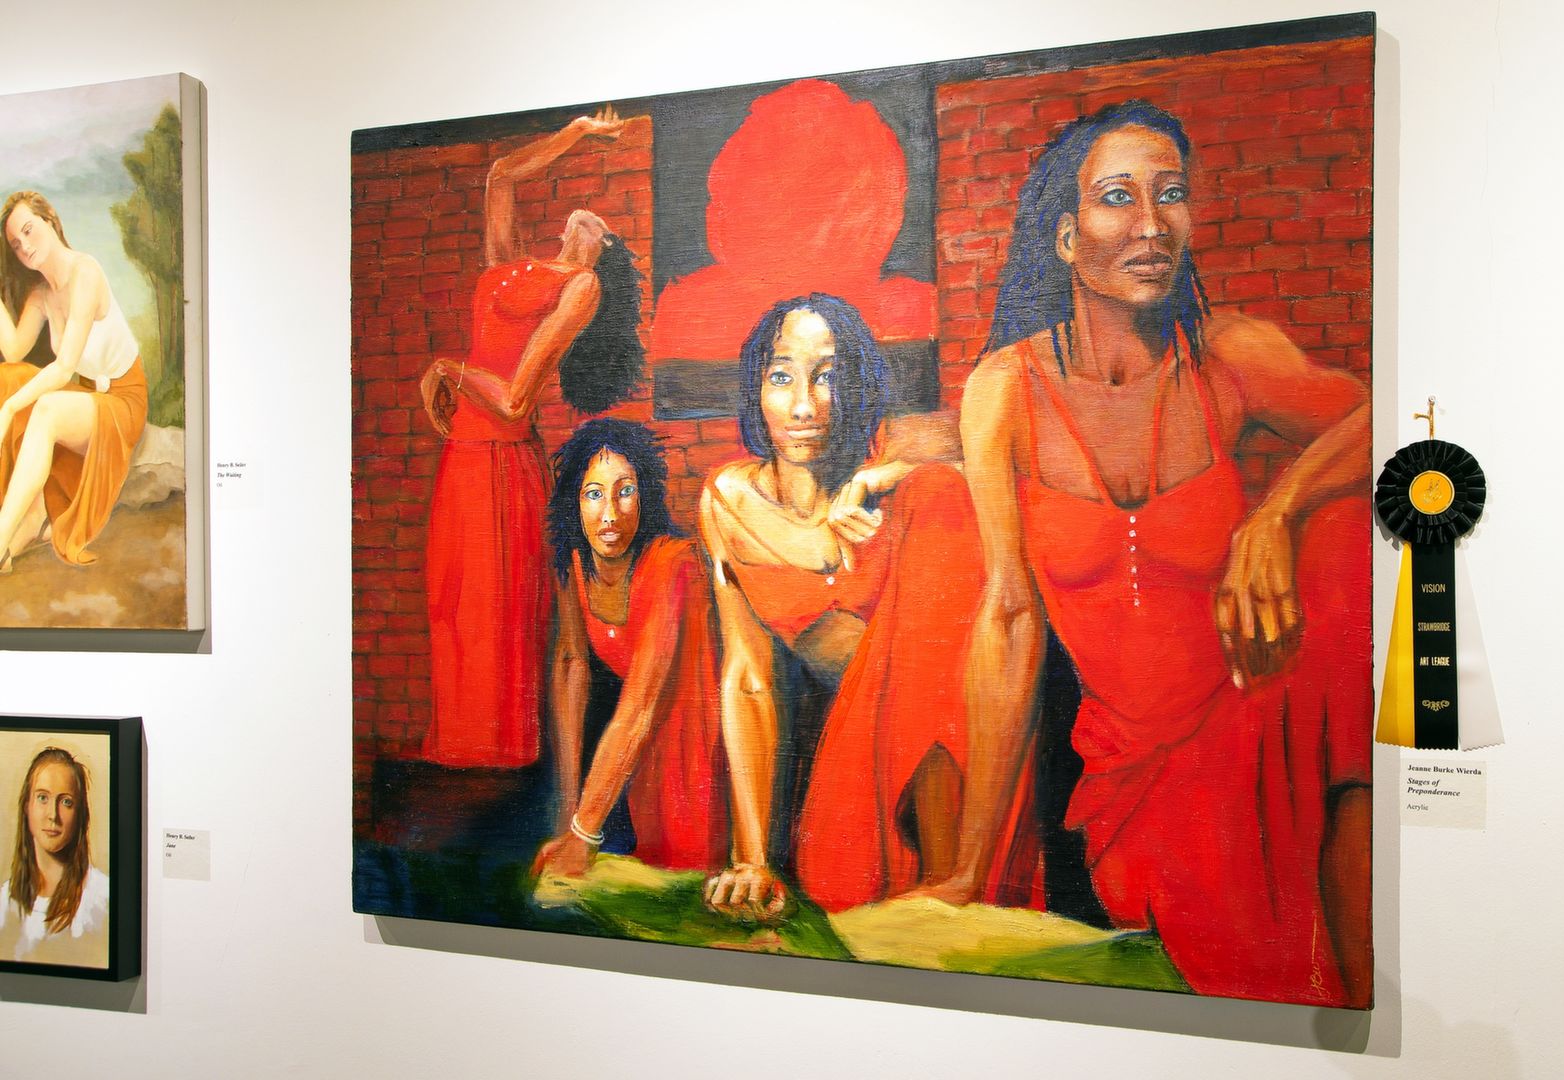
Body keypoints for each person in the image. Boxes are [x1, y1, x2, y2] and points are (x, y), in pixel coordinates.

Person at [928, 101, 1373, 1005]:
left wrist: (1278, 511)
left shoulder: (1228, 355)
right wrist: (969, 870)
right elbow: (1008, 617)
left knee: (1338, 536)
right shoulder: (1005, 389)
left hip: (1255, 723)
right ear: (1065, 237)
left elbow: (1391, 415)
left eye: (1170, 195)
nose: (1150, 223)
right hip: (1130, 777)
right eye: (1117, 197)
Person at [699, 294, 1036, 916]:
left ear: (854, 386)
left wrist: (880, 477)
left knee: (940, 493)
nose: (805, 406)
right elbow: (747, 676)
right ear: (756, 389)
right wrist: (751, 856)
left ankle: (958, 871)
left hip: (951, 737)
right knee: (844, 888)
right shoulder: (729, 502)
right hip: (860, 749)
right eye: (782, 377)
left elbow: (989, 440)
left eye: (827, 376)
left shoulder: (892, 463)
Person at [415, 107, 645, 768]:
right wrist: (579, 131)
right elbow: (501, 175)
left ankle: (499, 762)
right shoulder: (512, 265)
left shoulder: (582, 286)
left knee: (492, 617)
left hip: (501, 460)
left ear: (601, 249)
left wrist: (448, 369)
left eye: (602, 227)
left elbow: (516, 399)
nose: (588, 218)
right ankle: (457, 754)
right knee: (452, 602)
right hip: (463, 455)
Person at [531, 418, 728, 876]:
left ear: (645, 497)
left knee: (688, 878)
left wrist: (583, 833)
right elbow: (571, 666)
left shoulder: (674, 564)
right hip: (636, 754)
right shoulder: (575, 564)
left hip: (701, 745)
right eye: (593, 494)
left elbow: (642, 704)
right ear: (574, 502)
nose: (609, 514)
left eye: (625, 491)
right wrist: (570, 811)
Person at [0, 191, 149, 571]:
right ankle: (24, 528)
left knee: (43, 407)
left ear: (50, 220)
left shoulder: (86, 272)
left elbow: (64, 367)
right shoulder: (41, 295)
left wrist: (10, 409)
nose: (25, 247)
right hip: (87, 399)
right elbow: (13, 351)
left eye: (29, 231)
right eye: (15, 244)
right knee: (9, 376)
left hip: (122, 403)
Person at [0, 747, 107, 964]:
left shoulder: (102, 898)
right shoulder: (4, 901)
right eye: (42, 798)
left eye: (66, 802)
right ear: (27, 806)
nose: (53, 815)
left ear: (80, 814)